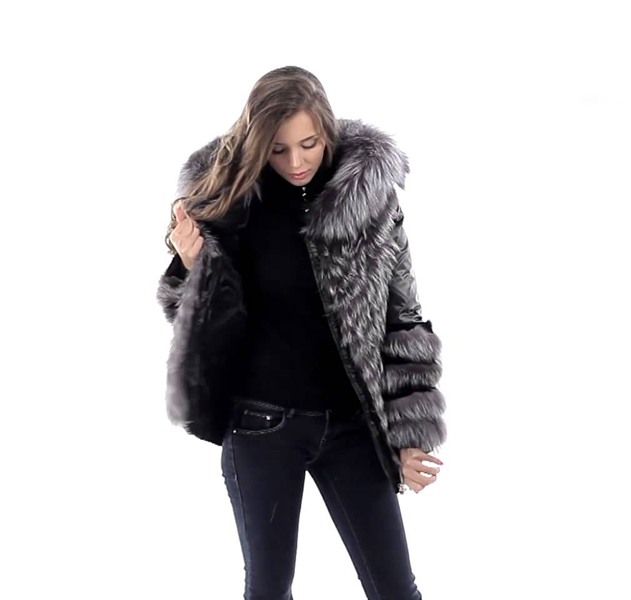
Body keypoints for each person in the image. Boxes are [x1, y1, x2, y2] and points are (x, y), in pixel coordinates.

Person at [156, 65, 447, 600]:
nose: (295, 162)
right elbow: (194, 329)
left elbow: (403, 317)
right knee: (268, 590)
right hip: (261, 427)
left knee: (395, 589)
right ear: (258, 144)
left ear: (327, 131)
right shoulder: (230, 203)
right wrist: (192, 268)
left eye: (308, 144)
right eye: (278, 150)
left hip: (353, 428)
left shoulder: (369, 199)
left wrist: (409, 434)